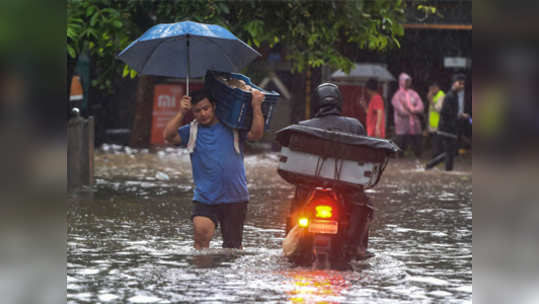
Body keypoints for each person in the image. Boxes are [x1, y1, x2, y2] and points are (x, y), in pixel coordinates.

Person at [163, 87, 265, 249]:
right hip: (206, 197)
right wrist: (181, 113)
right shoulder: (192, 131)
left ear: (214, 106)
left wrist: (256, 106)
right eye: (197, 111)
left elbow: (256, 134)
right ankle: (200, 274)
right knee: (201, 238)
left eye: (206, 108)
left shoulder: (232, 126)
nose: (203, 114)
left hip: (235, 197)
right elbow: (168, 136)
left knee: (232, 249)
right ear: (193, 113)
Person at [290, 83, 373, 259]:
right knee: (365, 202)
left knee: (296, 200)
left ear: (316, 103)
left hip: (310, 187)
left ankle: (292, 244)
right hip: (347, 188)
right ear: (339, 103)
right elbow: (365, 158)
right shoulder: (355, 126)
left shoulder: (304, 126)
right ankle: (357, 247)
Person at [425, 74, 466, 171]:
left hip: (450, 128)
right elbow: (444, 112)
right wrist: (456, 117)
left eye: (463, 84)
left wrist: (459, 116)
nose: (462, 86)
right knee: (449, 151)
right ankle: (436, 167)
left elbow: (450, 112)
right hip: (446, 129)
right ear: (454, 83)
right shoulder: (449, 96)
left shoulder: (454, 95)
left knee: (451, 151)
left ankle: (433, 166)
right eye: (460, 83)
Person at [391, 73, 424, 158]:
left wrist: (411, 109)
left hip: (415, 123)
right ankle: (400, 157)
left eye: (409, 81)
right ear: (401, 82)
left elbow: (421, 106)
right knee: (401, 141)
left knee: (417, 141)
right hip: (402, 123)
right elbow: (400, 110)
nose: (408, 83)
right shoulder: (397, 95)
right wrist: (412, 111)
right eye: (406, 81)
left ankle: (418, 156)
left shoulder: (414, 94)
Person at [426, 82, 446, 157]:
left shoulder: (441, 96)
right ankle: (436, 156)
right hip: (433, 124)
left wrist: (431, 100)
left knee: (438, 143)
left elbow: (439, 109)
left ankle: (437, 157)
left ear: (436, 88)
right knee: (435, 142)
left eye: (431, 89)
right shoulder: (434, 96)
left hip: (439, 124)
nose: (430, 92)